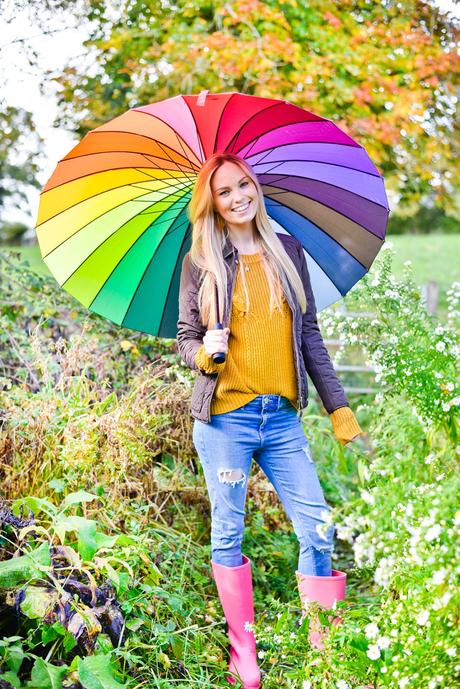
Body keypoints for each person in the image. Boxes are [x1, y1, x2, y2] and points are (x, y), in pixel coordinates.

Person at [176, 152, 363, 688]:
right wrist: (204, 353)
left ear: (255, 188)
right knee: (228, 532)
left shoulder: (289, 252)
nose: (237, 198)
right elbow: (186, 340)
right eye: (224, 192)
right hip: (225, 420)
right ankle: (245, 656)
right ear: (211, 203)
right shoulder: (202, 262)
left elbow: (309, 339)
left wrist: (339, 408)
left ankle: (325, 657)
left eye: (243, 186)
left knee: (319, 529)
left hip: (281, 421)